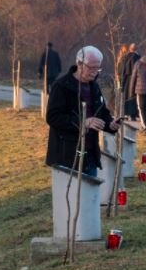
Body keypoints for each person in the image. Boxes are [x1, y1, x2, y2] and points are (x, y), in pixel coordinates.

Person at [45, 46, 121, 176]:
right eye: (91, 68)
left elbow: (101, 113)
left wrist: (111, 124)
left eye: (98, 68)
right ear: (79, 64)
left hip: (90, 154)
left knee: (91, 189)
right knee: (72, 190)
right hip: (67, 155)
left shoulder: (94, 86)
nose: (95, 72)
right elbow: (53, 117)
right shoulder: (61, 86)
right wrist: (83, 122)